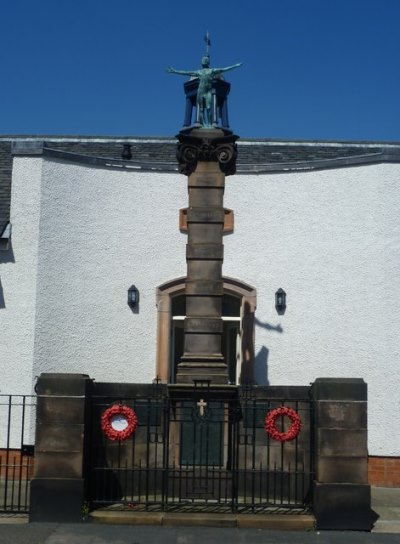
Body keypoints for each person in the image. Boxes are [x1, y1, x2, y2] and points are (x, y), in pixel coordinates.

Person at [167, 55, 241, 126]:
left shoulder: (212, 71)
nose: (203, 61)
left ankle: (210, 124)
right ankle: (202, 123)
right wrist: (174, 71)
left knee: (208, 108)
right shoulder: (199, 72)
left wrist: (235, 66)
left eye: (205, 60)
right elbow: (185, 72)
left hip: (208, 92)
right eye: (203, 60)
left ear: (207, 62)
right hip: (200, 91)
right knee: (201, 109)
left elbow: (224, 69)